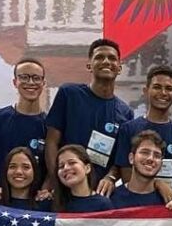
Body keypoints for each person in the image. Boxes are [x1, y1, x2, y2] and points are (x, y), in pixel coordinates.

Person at [44, 39, 133, 192]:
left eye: (112, 58)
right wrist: (56, 179)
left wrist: (110, 177)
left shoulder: (126, 112)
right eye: (99, 57)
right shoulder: (69, 94)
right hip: (65, 188)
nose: (106, 61)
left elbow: (121, 158)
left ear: (119, 68)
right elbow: (51, 141)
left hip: (96, 194)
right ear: (89, 66)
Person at [0, 57, 47, 202]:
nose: (30, 82)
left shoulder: (51, 125)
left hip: (34, 208)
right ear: (15, 82)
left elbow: (53, 165)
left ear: (43, 83)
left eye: (36, 78)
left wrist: (45, 190)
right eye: (24, 77)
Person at [113, 65, 172, 194]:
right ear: (146, 91)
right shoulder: (128, 129)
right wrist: (158, 186)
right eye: (157, 87)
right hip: (140, 208)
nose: (163, 93)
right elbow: (127, 177)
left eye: (169, 88)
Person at [111, 130, 172, 209]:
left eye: (157, 155)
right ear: (131, 158)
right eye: (145, 152)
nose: (151, 158)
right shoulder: (111, 199)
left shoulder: (169, 202)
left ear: (161, 164)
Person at [53, 145, 113, 213]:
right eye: (61, 166)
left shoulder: (103, 205)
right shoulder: (51, 202)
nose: (66, 168)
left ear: (87, 168)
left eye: (72, 163)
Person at [0, 146, 51, 211]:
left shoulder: (47, 204)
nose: (18, 172)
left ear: (34, 172)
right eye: (12, 167)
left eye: (26, 167)